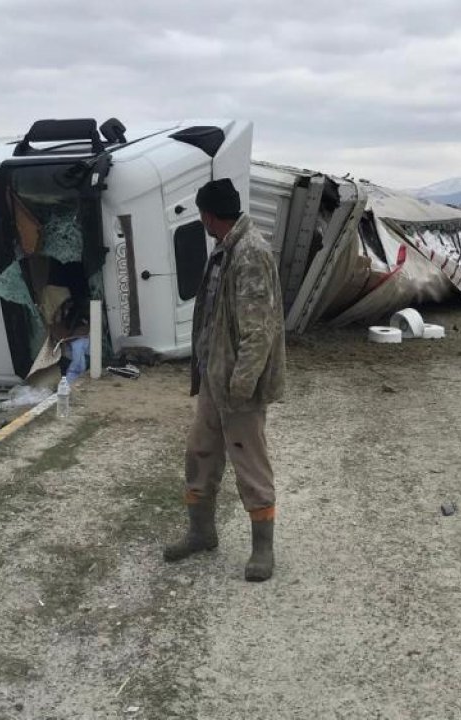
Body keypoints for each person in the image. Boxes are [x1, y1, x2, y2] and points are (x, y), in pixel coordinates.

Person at [163, 178, 286, 582]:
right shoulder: (226, 248)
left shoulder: (249, 253)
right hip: (217, 379)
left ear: (208, 215)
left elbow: (258, 330)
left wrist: (240, 386)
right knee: (200, 453)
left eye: (201, 215)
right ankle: (202, 532)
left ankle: (262, 551)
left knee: (249, 463)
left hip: (237, 386)